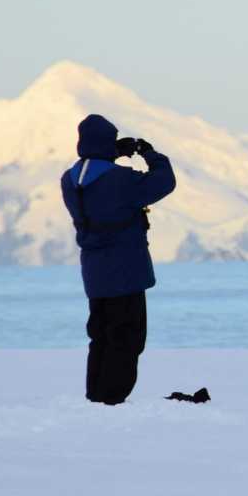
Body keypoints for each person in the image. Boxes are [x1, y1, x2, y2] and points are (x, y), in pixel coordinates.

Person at [60, 114, 176, 405]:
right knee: (127, 338)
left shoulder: (70, 181)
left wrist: (112, 154)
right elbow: (163, 182)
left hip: (95, 273)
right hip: (125, 271)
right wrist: (150, 154)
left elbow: (98, 178)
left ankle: (96, 395)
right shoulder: (120, 179)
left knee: (100, 336)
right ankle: (112, 399)